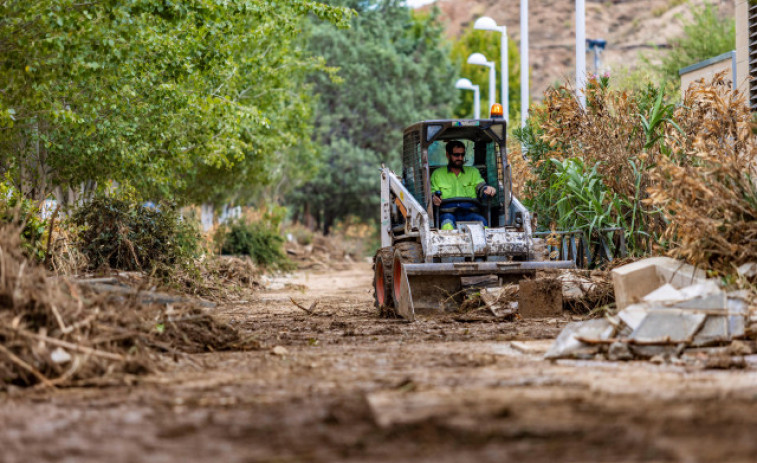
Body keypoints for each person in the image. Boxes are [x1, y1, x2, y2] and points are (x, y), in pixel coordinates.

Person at [430, 140, 496, 230]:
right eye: (456, 155)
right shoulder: (437, 174)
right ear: (448, 155)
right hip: (447, 213)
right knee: (447, 225)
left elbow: (481, 187)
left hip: (469, 212)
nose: (460, 158)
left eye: (462, 155)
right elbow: (432, 194)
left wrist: (488, 189)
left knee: (482, 224)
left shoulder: (473, 172)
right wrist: (434, 198)